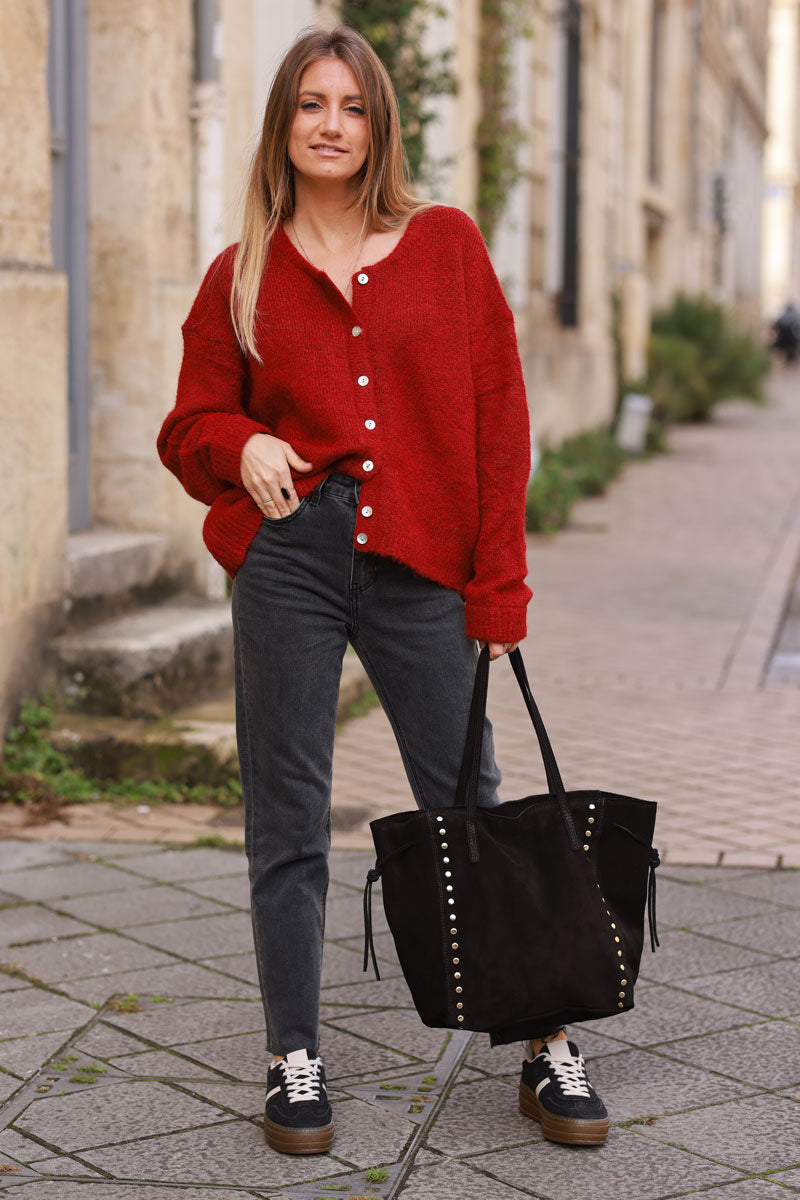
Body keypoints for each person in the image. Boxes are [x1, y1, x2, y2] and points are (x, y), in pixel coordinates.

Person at [157, 23, 608, 1156]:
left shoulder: (445, 247)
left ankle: (544, 1040)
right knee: (287, 817)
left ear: (378, 126)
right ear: (283, 123)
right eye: (310, 104)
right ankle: (291, 1056)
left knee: (475, 801)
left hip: (420, 572)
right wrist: (237, 444)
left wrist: (497, 584)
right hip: (288, 563)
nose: (329, 125)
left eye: (350, 107)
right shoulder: (242, 271)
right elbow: (188, 423)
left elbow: (498, 419)